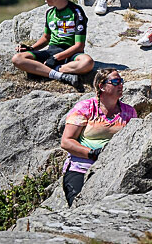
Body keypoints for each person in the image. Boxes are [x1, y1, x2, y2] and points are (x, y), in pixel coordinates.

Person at [60, 68, 136, 206]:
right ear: (102, 86)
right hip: (81, 168)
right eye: (115, 81)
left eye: (121, 81)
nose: (121, 85)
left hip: (114, 170)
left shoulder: (129, 112)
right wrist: (93, 154)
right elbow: (66, 142)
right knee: (79, 207)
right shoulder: (85, 108)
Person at [12, 0, 93, 90]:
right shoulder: (49, 13)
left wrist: (56, 58)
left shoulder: (77, 12)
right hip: (52, 51)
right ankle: (61, 76)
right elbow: (46, 38)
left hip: (70, 53)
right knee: (17, 59)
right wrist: (31, 48)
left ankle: (44, 71)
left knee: (88, 62)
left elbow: (79, 46)